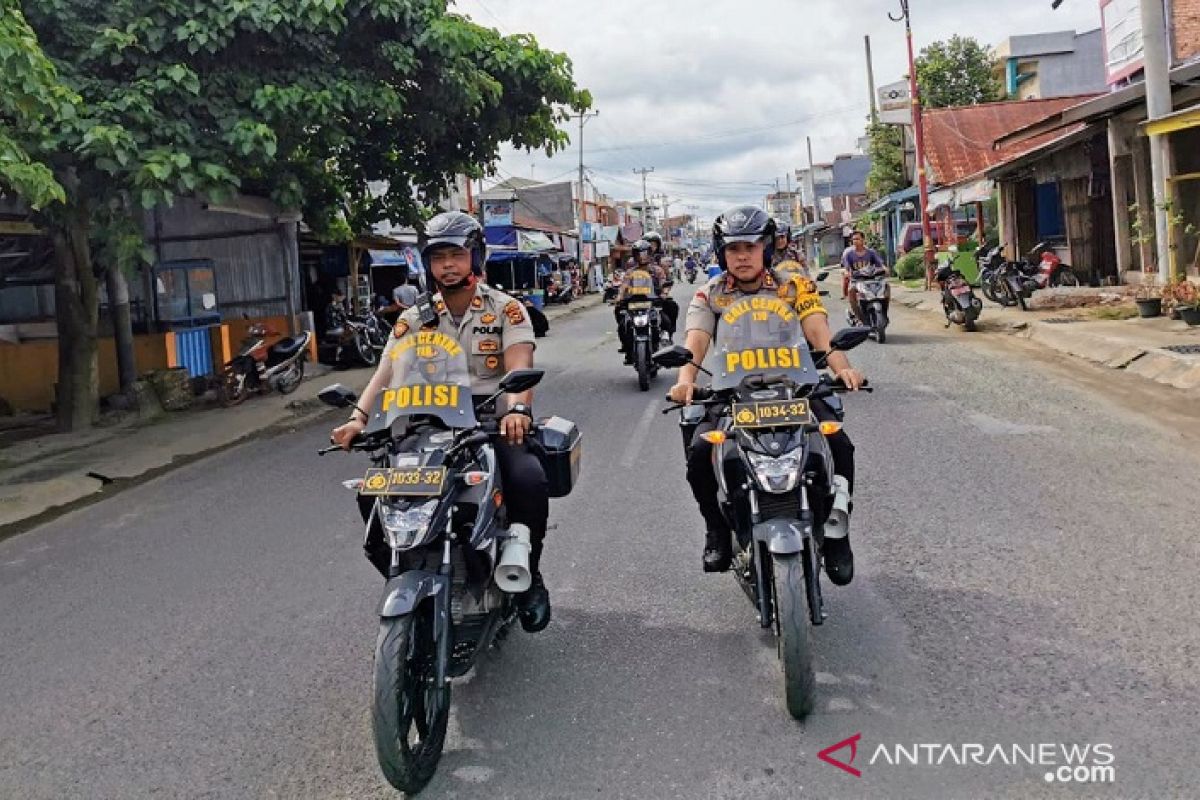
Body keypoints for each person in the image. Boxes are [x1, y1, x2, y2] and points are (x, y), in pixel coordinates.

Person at [330, 211, 552, 632]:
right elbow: (386, 369)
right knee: (375, 492)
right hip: (427, 421)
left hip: (489, 420)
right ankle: (408, 570)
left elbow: (520, 363)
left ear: (475, 256)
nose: (447, 265)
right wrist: (357, 419)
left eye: (456, 254)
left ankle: (530, 578)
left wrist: (519, 410)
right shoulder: (414, 317)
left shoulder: (507, 309)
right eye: (438, 257)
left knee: (527, 478)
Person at [668, 205, 864, 584]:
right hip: (733, 395)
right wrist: (685, 379)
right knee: (699, 453)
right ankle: (717, 531)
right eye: (733, 248)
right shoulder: (709, 294)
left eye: (751, 247)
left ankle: (838, 533)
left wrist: (843, 368)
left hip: (795, 388)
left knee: (838, 445)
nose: (742, 256)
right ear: (721, 252)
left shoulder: (794, 287)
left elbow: (819, 333)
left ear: (767, 249)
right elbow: (696, 342)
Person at [615, 239, 658, 361]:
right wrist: (620, 296)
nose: (642, 257)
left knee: (667, 313)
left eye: (644, 253)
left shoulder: (656, 270)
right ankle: (627, 347)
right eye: (639, 254)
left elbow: (663, 283)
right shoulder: (630, 272)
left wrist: (664, 293)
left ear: (650, 254)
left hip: (651, 302)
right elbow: (624, 285)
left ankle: (664, 338)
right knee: (623, 323)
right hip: (634, 303)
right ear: (634, 255)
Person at [841, 230, 886, 323]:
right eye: (853, 239)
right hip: (857, 280)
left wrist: (885, 269)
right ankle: (859, 317)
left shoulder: (871, 252)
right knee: (851, 291)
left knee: (887, 287)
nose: (855, 241)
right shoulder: (849, 254)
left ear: (863, 240)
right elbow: (847, 268)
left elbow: (880, 264)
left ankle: (884, 311)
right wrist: (847, 273)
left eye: (857, 239)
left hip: (872, 279)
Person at [655, 255, 679, 342]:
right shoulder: (633, 267)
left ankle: (669, 333)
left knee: (672, 306)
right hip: (636, 298)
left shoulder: (660, 266)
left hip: (656, 297)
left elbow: (667, 281)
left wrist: (664, 293)